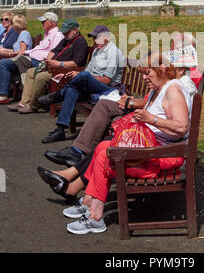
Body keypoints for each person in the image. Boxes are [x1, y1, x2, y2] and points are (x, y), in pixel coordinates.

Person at [39, 52, 193, 234]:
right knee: (103, 147)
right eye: (142, 73)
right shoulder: (160, 89)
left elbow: (182, 127)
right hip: (151, 150)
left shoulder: (172, 90)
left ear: (161, 70)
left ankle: (95, 217)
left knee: (108, 154)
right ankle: (89, 201)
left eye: (147, 73)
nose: (144, 78)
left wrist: (151, 119)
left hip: (162, 156)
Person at [38, 27, 125, 144]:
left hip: (109, 91)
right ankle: (60, 129)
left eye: (99, 38)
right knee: (71, 90)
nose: (95, 41)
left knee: (83, 76)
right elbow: (88, 71)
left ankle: (59, 95)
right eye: (94, 38)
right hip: (93, 88)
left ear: (107, 37)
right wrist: (77, 75)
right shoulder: (97, 50)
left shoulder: (113, 52)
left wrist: (82, 76)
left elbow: (107, 80)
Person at [7, 19, 89, 114]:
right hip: (53, 67)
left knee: (40, 77)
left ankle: (34, 105)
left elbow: (76, 63)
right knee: (30, 72)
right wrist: (49, 60)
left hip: (65, 71)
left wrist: (58, 64)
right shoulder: (65, 40)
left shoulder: (80, 42)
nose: (65, 34)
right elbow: (52, 51)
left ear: (75, 30)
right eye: (64, 32)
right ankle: (24, 102)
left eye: (67, 32)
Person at [0, 12, 63, 105]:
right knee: (6, 62)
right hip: (31, 58)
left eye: (43, 21)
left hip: (39, 62)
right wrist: (24, 52)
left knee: (6, 62)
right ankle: (6, 94)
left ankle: (6, 95)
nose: (41, 23)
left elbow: (54, 53)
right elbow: (34, 50)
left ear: (51, 23)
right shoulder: (47, 35)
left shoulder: (57, 35)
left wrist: (13, 53)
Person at [0, 14, 32, 104]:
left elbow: (22, 51)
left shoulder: (24, 33)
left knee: (3, 63)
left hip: (22, 61)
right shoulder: (21, 34)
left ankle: (3, 94)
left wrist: (9, 53)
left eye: (12, 22)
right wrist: (5, 50)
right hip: (17, 59)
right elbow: (16, 49)